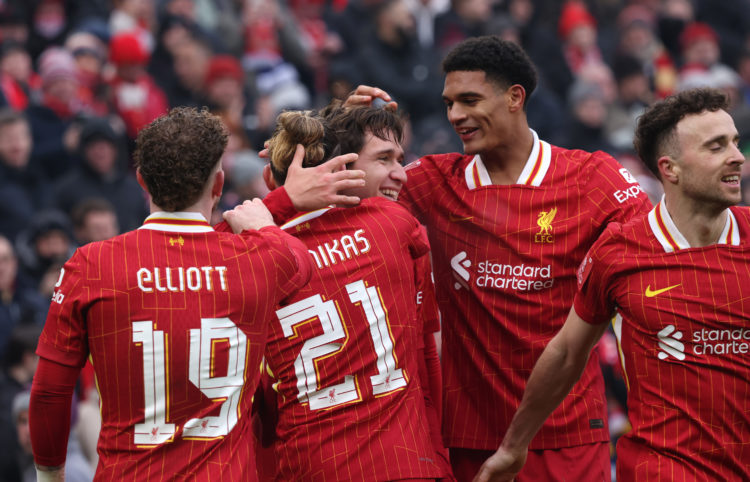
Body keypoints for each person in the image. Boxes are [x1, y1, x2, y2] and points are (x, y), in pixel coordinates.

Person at [328, 36, 653, 481]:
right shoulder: (434, 183)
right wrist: (343, 131)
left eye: (469, 100)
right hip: (470, 438)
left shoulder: (592, 177)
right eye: (448, 103)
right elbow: (336, 206)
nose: (455, 115)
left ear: (514, 97)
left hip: (567, 432)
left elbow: (661, 250)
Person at [473, 87, 749, 481]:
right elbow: (568, 352)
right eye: (716, 146)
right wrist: (514, 446)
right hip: (665, 470)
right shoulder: (618, 252)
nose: (737, 156)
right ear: (670, 169)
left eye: (735, 143)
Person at [28, 107, 313, 481]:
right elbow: (301, 264)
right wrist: (264, 227)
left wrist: (50, 477)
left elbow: (49, 392)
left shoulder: (92, 264)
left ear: (142, 181)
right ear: (219, 185)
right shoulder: (258, 258)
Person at [225, 105, 451, 480]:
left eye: (400, 159)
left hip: (311, 463)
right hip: (407, 461)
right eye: (383, 159)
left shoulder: (250, 254)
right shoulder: (394, 223)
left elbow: (190, 258)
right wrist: (437, 455)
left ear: (268, 176)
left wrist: (279, 203)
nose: (400, 173)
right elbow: (428, 358)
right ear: (342, 170)